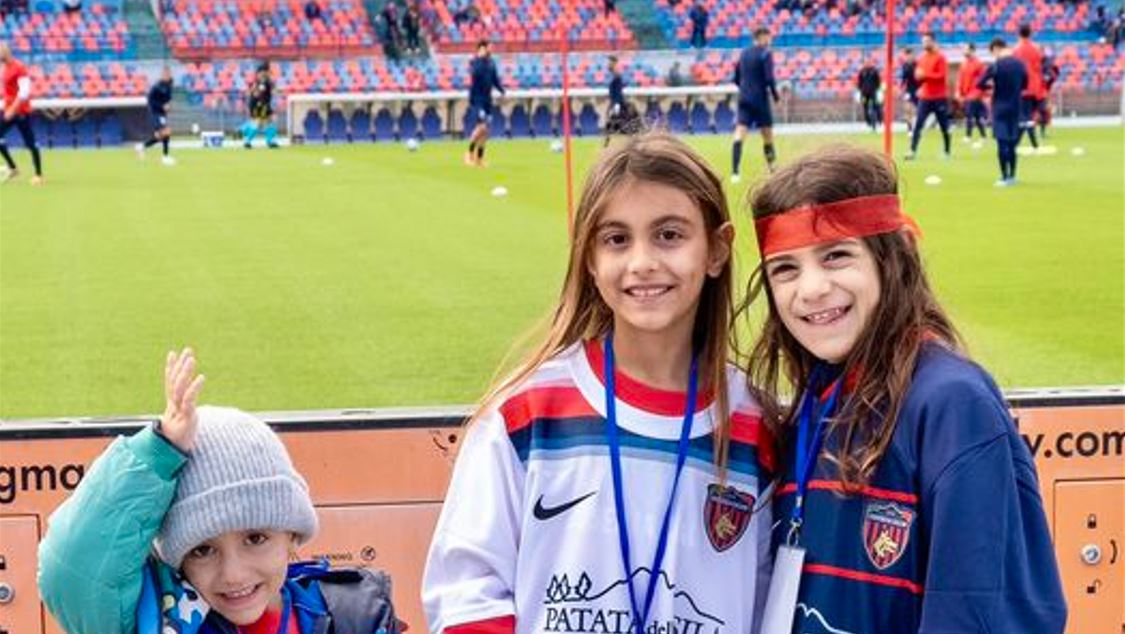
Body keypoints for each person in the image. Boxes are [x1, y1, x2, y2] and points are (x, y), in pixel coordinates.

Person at [423, 132, 775, 634]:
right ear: (589, 258)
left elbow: (769, 606)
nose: (642, 262)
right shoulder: (526, 414)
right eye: (617, 239)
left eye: (669, 235)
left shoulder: (757, 427)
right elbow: (465, 592)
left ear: (717, 249)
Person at [743, 144, 1068, 633]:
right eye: (785, 267)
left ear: (891, 260)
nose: (811, 289)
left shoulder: (951, 402)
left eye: (836, 256)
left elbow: (985, 611)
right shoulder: (818, 401)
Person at [38, 348, 402, 634]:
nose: (233, 574)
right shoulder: (156, 621)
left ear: (292, 535)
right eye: (202, 550)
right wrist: (158, 452)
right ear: (176, 561)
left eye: (255, 538)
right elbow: (71, 570)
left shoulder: (354, 615)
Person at [730, 27, 779, 183]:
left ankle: (735, 173)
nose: (770, 40)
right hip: (760, 99)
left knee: (739, 133)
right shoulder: (766, 54)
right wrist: (776, 96)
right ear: (762, 37)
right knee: (767, 136)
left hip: (744, 98)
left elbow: (736, 78)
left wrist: (745, 88)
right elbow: (769, 78)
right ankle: (772, 170)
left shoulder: (744, 53)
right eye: (769, 37)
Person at [979, 37, 1028, 186]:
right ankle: (1013, 176)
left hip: (1000, 107)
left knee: (1002, 142)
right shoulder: (1020, 64)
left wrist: (992, 87)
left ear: (996, 48)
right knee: (1012, 143)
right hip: (1015, 106)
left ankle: (1004, 176)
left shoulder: (996, 66)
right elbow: (1025, 84)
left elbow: (980, 83)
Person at [0, 42, 43, 185]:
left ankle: (38, 175)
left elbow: (24, 92)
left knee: (30, 142)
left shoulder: (19, 68)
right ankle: (13, 168)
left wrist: (12, 109)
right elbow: (8, 91)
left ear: (5, 52)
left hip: (20, 111)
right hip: (9, 110)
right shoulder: (4, 68)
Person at [905, 32, 951, 160]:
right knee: (918, 124)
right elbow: (918, 76)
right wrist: (918, 77)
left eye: (927, 41)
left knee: (944, 126)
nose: (924, 44)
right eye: (923, 41)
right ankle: (912, 151)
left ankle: (947, 151)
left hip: (939, 96)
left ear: (933, 42)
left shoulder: (940, 57)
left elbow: (942, 75)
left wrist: (925, 75)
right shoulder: (922, 58)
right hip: (925, 97)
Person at [464, 39, 504, 168]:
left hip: (487, 100)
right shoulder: (475, 61)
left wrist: (502, 90)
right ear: (482, 48)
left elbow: (494, 79)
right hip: (477, 100)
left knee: (486, 132)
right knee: (481, 127)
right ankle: (469, 153)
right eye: (489, 47)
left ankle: (479, 159)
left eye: (492, 47)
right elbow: (474, 74)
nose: (492, 49)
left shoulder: (491, 62)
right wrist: (479, 58)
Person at [1012, 23, 1045, 150]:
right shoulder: (1036, 49)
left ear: (1018, 33)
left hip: (1021, 87)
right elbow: (1038, 68)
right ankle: (1031, 144)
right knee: (1028, 116)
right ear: (1030, 33)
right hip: (1034, 87)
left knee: (1023, 117)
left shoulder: (1016, 50)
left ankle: (1019, 144)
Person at [137, 65, 175, 165]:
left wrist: (168, 105)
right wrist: (162, 106)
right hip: (155, 113)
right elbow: (150, 100)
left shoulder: (169, 85)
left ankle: (142, 147)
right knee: (166, 132)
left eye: (168, 74)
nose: (167, 75)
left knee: (159, 136)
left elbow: (168, 99)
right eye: (165, 74)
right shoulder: (157, 87)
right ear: (162, 75)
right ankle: (165, 157)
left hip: (162, 114)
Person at [604, 56, 640, 145]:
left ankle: (608, 139)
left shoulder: (616, 74)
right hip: (615, 101)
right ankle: (608, 139)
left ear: (614, 63)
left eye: (610, 62)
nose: (608, 64)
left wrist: (616, 103)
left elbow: (617, 90)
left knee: (614, 118)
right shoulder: (613, 74)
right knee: (612, 118)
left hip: (617, 102)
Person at [242, 62, 279, 149]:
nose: (268, 73)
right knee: (259, 123)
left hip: (263, 104)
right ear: (264, 72)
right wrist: (259, 103)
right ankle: (246, 139)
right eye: (267, 71)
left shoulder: (265, 81)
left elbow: (270, 91)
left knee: (268, 121)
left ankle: (269, 141)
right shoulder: (262, 82)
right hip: (260, 105)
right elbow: (258, 93)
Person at [957, 43, 988, 141]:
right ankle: (984, 136)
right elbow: (961, 79)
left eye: (966, 49)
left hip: (975, 93)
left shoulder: (979, 64)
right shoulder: (963, 64)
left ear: (972, 50)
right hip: (967, 93)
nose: (964, 51)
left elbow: (984, 79)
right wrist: (959, 92)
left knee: (969, 114)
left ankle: (968, 136)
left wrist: (981, 93)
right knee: (977, 116)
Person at [856, 57, 882, 131]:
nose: (867, 63)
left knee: (876, 107)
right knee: (865, 108)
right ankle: (868, 123)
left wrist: (877, 90)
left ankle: (879, 122)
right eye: (865, 62)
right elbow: (859, 83)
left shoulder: (874, 71)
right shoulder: (862, 71)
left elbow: (878, 82)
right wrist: (859, 92)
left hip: (873, 92)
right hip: (864, 93)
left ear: (871, 63)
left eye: (868, 62)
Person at [899, 47, 919, 133]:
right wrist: (901, 89)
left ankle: (917, 126)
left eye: (910, 54)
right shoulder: (905, 65)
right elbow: (904, 79)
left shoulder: (917, 64)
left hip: (918, 90)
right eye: (907, 55)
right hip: (909, 90)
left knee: (917, 110)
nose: (909, 57)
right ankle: (909, 128)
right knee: (908, 109)